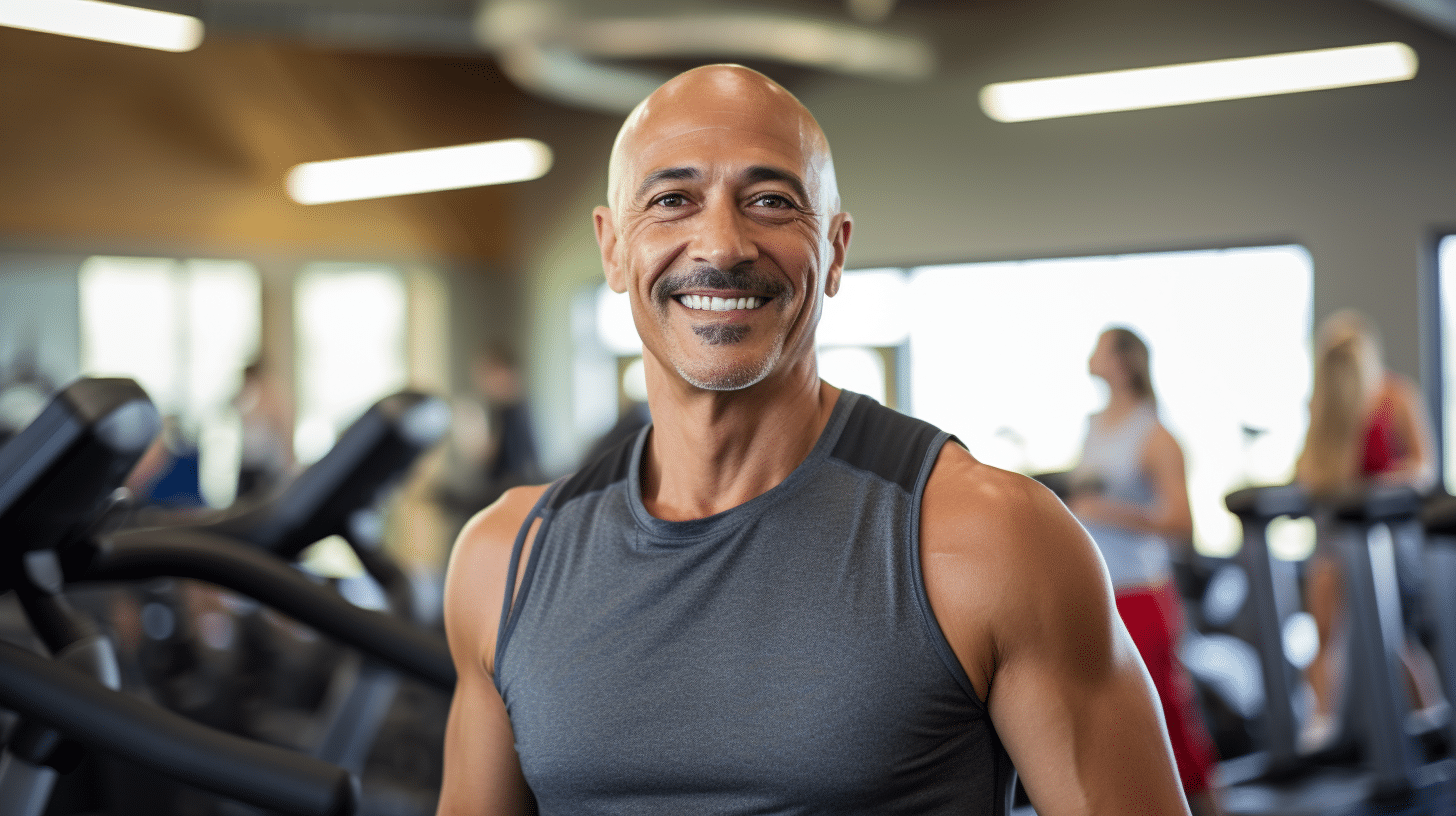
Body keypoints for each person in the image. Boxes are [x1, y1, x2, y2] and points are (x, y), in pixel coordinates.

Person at [437, 64, 1193, 815]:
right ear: (612, 248)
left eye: (770, 201)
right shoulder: (504, 561)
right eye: (672, 200)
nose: (722, 245)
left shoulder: (995, 539)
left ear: (835, 250)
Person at [1066, 327, 1223, 816]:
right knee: (1110, 717)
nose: (1090, 356)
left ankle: (1208, 806)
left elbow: (1180, 522)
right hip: (1101, 590)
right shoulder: (1094, 427)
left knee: (1168, 715)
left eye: (1100, 348)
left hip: (1143, 592)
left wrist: (1104, 510)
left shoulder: (1155, 435)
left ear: (1122, 362)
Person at [1293, 308, 1445, 751]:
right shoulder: (1324, 405)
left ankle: (1432, 718)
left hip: (1384, 532)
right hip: (1337, 530)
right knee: (1324, 630)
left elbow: (1424, 468)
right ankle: (1322, 723)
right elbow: (1308, 471)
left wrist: (1375, 487)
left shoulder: (1396, 395)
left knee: (1395, 635)